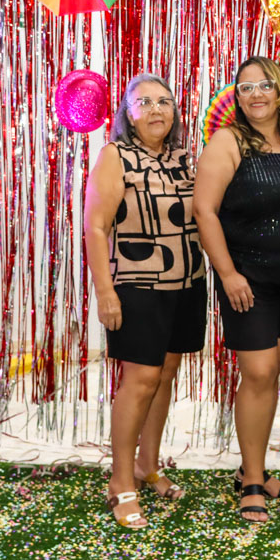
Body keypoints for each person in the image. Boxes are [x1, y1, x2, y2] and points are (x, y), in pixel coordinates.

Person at [193, 56, 280, 523]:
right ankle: (252, 481)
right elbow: (204, 211)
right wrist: (228, 274)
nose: (255, 94)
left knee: (269, 377)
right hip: (248, 282)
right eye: (245, 87)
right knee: (260, 373)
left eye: (264, 84)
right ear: (237, 96)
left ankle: (253, 467)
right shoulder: (227, 142)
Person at [84, 74, 206, 530]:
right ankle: (120, 480)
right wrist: (105, 291)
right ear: (128, 114)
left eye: (164, 101)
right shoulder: (115, 156)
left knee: (165, 374)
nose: (156, 109)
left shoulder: (183, 158)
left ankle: (146, 465)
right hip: (138, 284)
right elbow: (96, 226)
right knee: (140, 379)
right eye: (144, 102)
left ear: (174, 111)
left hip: (187, 283)